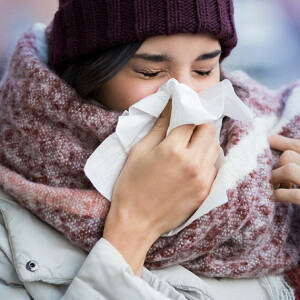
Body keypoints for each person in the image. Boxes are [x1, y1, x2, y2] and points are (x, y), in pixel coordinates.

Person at [0, 0, 300, 299]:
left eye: (204, 69)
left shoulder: (271, 135)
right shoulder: (8, 222)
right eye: (149, 72)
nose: (184, 96)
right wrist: (134, 227)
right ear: (90, 73)